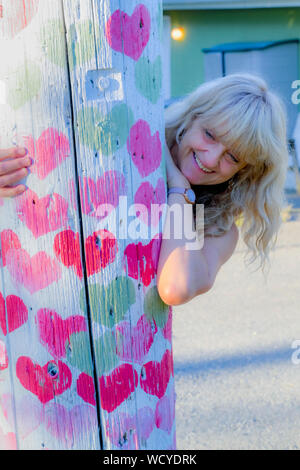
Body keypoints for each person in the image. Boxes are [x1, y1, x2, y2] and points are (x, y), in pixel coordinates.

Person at [0, 74, 289, 307]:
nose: (212, 158)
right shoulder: (119, 138)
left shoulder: (220, 229)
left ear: (246, 171)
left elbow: (176, 287)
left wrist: (179, 191)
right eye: (210, 134)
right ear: (191, 118)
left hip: (129, 368)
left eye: (233, 157)